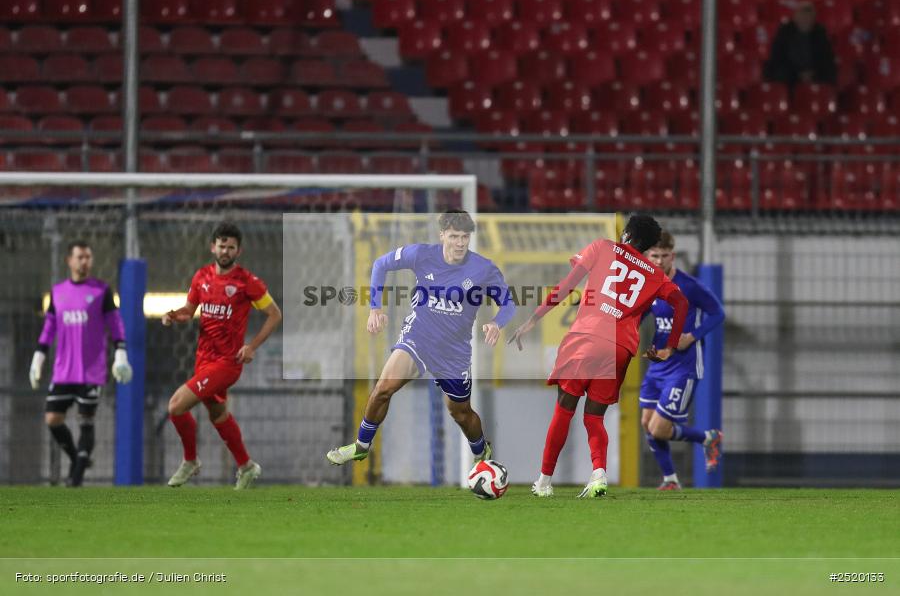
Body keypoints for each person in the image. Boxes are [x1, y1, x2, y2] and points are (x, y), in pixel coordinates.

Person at [507, 214, 688, 498]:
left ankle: (543, 482)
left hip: (585, 338)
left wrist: (532, 320)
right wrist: (670, 346)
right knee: (594, 417)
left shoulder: (603, 247)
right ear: (648, 246)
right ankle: (599, 475)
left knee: (564, 410)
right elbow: (681, 302)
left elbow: (565, 286)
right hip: (619, 348)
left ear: (626, 234)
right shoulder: (655, 274)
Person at [326, 210, 515, 467]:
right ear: (442, 236)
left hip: (454, 352)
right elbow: (381, 264)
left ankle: (482, 452)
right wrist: (375, 307)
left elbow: (508, 304)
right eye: (454, 236)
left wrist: (496, 322)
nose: (460, 243)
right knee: (383, 388)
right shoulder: (421, 254)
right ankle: (361, 445)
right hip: (418, 337)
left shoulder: (483, 269)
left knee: (460, 412)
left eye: (464, 237)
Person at [162, 222, 282, 490]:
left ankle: (190, 460)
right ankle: (247, 466)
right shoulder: (201, 277)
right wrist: (172, 315)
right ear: (212, 246)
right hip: (203, 359)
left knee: (175, 406)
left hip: (228, 363)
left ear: (238, 251)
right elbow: (189, 310)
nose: (225, 251)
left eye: (231, 247)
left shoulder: (247, 283)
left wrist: (252, 346)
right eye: (221, 245)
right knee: (218, 415)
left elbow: (275, 314)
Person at [29, 240, 133, 487]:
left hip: (91, 371)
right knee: (53, 419)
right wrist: (38, 358)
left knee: (87, 421)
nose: (84, 262)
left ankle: (75, 481)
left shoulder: (101, 291)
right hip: (64, 371)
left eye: (88, 257)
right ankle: (77, 458)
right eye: (79, 257)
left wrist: (120, 354)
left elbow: (115, 324)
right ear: (69, 260)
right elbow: (49, 327)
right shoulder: (58, 292)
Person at [641, 232, 725, 491]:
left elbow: (717, 312)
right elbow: (639, 314)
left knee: (658, 428)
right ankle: (670, 480)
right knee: (647, 423)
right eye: (654, 255)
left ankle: (707, 438)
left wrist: (692, 336)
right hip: (658, 364)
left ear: (672, 256)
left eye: (664, 256)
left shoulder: (689, 286)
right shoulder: (649, 285)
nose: (659, 260)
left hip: (684, 366)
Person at [763, 0, 837, 87]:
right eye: (802, 15)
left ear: (813, 18)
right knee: (780, 73)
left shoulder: (820, 32)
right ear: (795, 17)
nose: (805, 18)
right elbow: (778, 57)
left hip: (815, 73)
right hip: (791, 73)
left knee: (829, 72)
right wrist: (799, 73)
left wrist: (813, 72)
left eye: (809, 16)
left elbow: (826, 57)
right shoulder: (785, 32)